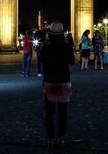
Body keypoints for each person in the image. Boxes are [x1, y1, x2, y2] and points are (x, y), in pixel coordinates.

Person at [39, 21, 75, 149]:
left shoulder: (46, 46)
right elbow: (72, 61)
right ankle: (61, 138)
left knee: (49, 112)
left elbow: (41, 60)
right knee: (63, 112)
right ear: (62, 34)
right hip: (64, 81)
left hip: (49, 81)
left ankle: (49, 139)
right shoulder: (67, 46)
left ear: (50, 33)